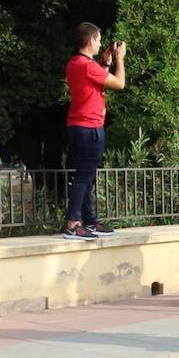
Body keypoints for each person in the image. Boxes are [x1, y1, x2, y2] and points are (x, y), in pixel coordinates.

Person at [62, 22, 125, 241]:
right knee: (84, 176)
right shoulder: (86, 65)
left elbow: (97, 79)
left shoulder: (75, 63)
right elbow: (119, 83)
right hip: (89, 127)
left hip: (80, 125)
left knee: (86, 175)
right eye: (98, 40)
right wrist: (119, 59)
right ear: (90, 41)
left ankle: (88, 220)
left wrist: (105, 62)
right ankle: (72, 222)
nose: (100, 44)